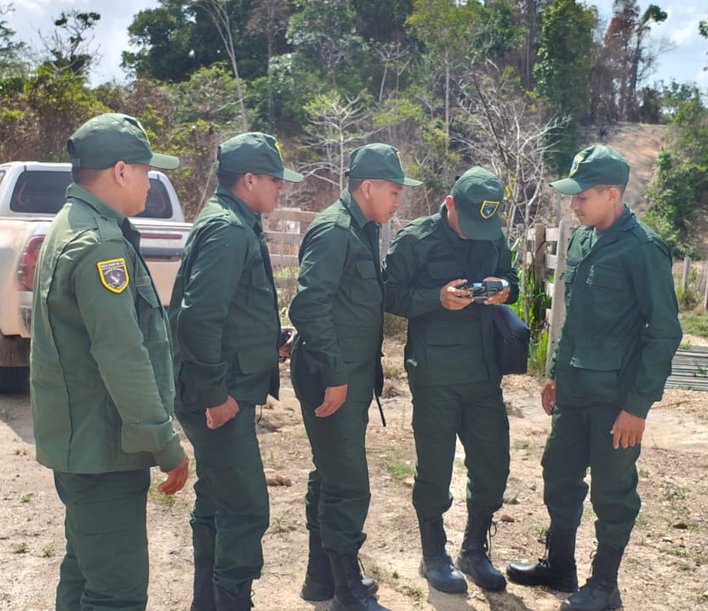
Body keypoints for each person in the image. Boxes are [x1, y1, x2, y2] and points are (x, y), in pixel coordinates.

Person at [505, 145, 682, 611]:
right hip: (575, 392)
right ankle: (560, 565)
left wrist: (636, 408)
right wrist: (556, 375)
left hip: (614, 401)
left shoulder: (643, 249)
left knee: (612, 492)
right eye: (571, 196)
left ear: (612, 193)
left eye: (582, 196)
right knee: (559, 476)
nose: (574, 204)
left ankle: (604, 586)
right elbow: (576, 320)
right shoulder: (583, 241)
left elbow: (663, 333)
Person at [30, 112, 190, 611]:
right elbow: (122, 354)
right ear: (121, 172)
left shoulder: (75, 225)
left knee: (84, 573)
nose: (149, 180)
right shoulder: (100, 244)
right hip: (102, 449)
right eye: (145, 169)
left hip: (83, 444)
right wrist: (165, 440)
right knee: (115, 592)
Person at [168, 132, 303, 611]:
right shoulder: (229, 229)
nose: (281, 188)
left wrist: (270, 342)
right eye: (274, 179)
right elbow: (198, 316)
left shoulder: (234, 221)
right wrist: (213, 395)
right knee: (245, 509)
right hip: (215, 397)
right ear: (248, 179)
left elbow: (228, 312)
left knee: (218, 500)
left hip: (220, 386)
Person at [289, 143, 421, 611]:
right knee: (347, 484)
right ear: (367, 187)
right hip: (332, 378)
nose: (398, 201)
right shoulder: (335, 230)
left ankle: (321, 581)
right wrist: (335, 373)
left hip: (347, 376)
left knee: (330, 476)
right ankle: (346, 592)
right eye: (393, 191)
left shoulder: (363, 229)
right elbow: (308, 305)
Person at [383, 166, 519, 595]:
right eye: (470, 222)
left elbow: (511, 279)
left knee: (493, 464)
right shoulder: (415, 239)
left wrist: (504, 289)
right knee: (435, 468)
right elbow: (387, 292)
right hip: (435, 374)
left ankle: (474, 550)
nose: (479, 232)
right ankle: (434, 554)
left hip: (484, 373)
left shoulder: (493, 236)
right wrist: (436, 299)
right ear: (448, 205)